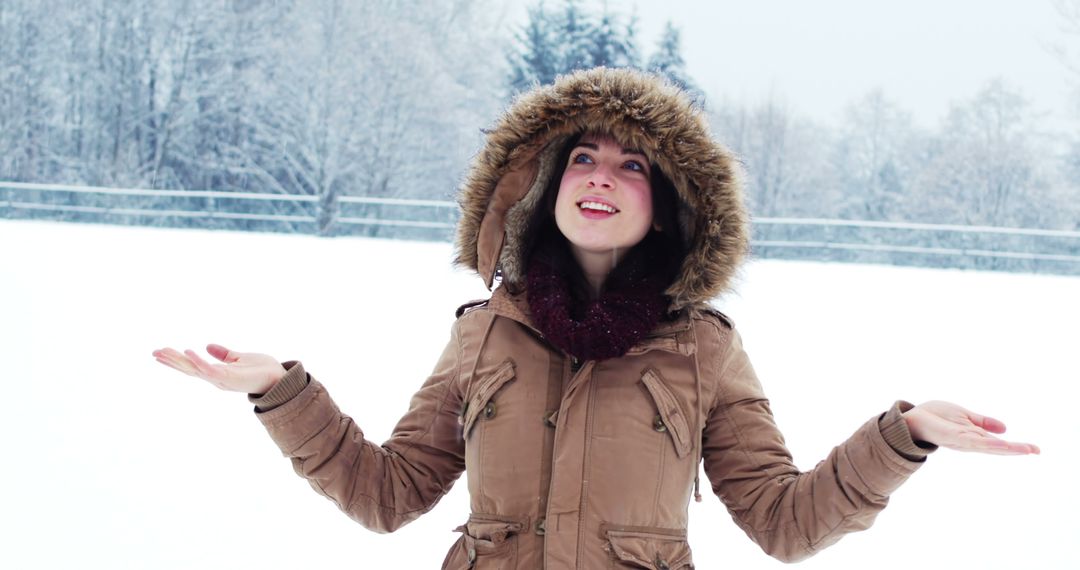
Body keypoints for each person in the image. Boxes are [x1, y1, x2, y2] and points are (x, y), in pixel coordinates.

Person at [153, 67, 1039, 569]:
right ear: (545, 189)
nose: (603, 176)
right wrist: (279, 392)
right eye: (583, 157)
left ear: (670, 205)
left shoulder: (705, 348)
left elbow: (783, 520)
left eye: (633, 165)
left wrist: (905, 436)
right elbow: (388, 497)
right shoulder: (483, 332)